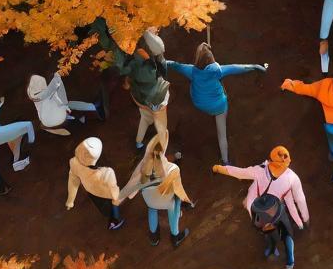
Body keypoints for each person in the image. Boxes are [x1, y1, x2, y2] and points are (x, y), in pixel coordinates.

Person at [166, 42, 267, 165]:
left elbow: (174, 65)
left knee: (197, 86)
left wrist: (159, 61)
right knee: (222, 133)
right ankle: (225, 161)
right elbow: (240, 67)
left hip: (199, 103)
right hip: (218, 107)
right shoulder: (218, 71)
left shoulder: (191, 70)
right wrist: (257, 66)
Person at [213, 146, 307, 269]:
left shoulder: (260, 170)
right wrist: (303, 220)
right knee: (286, 233)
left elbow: (239, 172)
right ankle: (290, 259)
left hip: (259, 210)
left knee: (268, 231)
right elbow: (297, 201)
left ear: (270, 160)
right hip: (278, 210)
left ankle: (271, 250)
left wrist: (218, 168)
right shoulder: (292, 178)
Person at [91, 18, 171, 152]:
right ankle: (163, 151)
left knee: (145, 119)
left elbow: (127, 74)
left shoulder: (130, 63)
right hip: (157, 100)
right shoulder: (149, 68)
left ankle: (139, 142)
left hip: (140, 99)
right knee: (162, 127)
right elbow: (159, 66)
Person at [120, 131, 193, 247]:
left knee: (152, 208)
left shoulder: (141, 167)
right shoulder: (173, 168)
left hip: (150, 201)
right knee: (175, 202)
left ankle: (154, 238)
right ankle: (175, 236)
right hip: (166, 201)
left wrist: (118, 199)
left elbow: (130, 188)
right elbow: (179, 190)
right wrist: (188, 202)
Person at [66, 136, 125, 230]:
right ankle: (116, 219)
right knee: (113, 205)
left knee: (102, 208)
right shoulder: (107, 172)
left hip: (90, 191)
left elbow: (73, 181)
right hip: (106, 195)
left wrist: (70, 201)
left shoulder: (73, 162)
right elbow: (114, 194)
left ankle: (111, 217)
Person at [26, 73, 107, 134]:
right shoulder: (41, 94)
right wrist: (57, 77)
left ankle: (84, 116)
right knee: (69, 104)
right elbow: (54, 86)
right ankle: (94, 107)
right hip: (53, 119)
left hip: (47, 120)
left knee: (67, 105)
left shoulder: (37, 94)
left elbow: (56, 97)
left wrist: (63, 106)